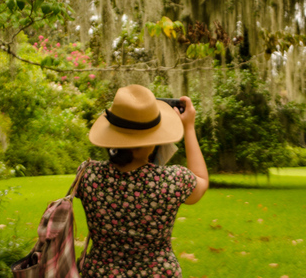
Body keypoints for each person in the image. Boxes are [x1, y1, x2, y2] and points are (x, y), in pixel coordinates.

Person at [75, 84, 208, 278]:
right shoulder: (173, 181)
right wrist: (188, 127)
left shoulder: (87, 174)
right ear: (152, 141)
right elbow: (202, 180)